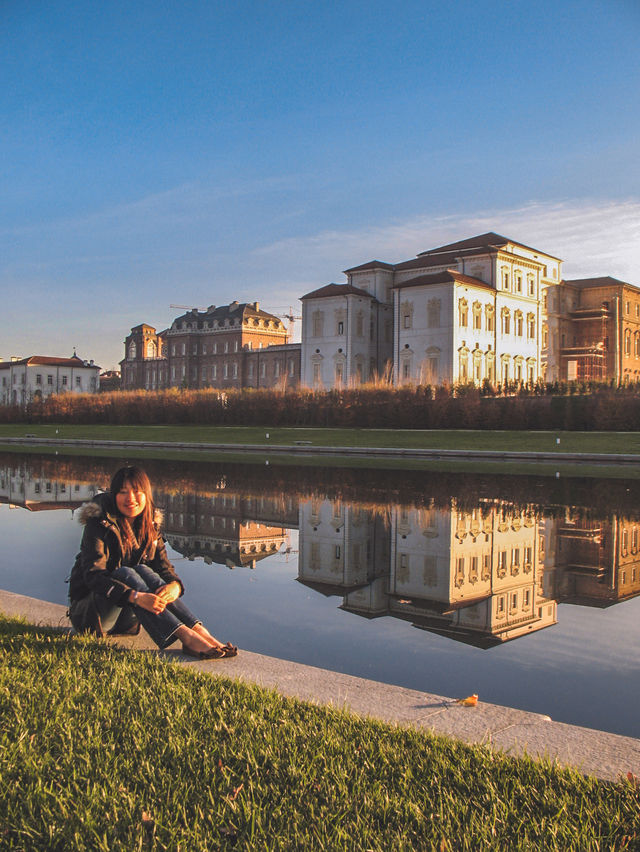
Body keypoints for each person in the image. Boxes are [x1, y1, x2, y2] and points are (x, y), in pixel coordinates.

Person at [68, 465, 237, 660]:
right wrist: (136, 597)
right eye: (123, 492)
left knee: (142, 570)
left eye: (136, 492)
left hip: (127, 620)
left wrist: (175, 586)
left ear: (146, 494)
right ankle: (187, 637)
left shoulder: (150, 524)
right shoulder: (99, 522)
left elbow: (164, 569)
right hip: (92, 617)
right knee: (126, 573)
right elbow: (93, 577)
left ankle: (200, 631)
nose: (130, 498)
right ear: (114, 495)